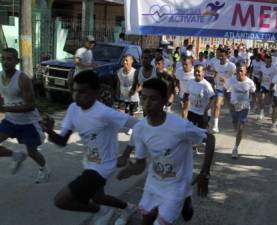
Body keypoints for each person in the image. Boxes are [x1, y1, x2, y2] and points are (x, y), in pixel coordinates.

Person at [40, 71, 138, 225]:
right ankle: (128, 208)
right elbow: (62, 141)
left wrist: (126, 155)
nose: (77, 95)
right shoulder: (73, 108)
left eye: (83, 91)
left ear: (96, 92)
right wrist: (50, 131)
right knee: (98, 198)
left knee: (61, 200)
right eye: (74, 90)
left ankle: (103, 211)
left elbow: (141, 127)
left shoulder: (105, 113)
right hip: (89, 163)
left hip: (104, 166)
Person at [117, 78, 215, 225]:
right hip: (153, 184)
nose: (146, 104)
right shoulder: (140, 128)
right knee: (146, 220)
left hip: (176, 187)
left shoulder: (180, 126)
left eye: (153, 99)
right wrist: (131, 170)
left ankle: (183, 198)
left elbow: (210, 138)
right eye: (143, 98)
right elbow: (140, 164)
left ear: (164, 101)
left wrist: (205, 173)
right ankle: (186, 200)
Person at [0, 47, 50, 183]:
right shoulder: (0, 76)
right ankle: (15, 155)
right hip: (11, 120)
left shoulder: (23, 79)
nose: (5, 62)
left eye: (9, 59)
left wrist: (4, 108)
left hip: (28, 122)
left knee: (32, 151)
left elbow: (30, 105)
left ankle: (44, 169)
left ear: (17, 61)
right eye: (3, 58)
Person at [225, 62, 256, 159]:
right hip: (234, 107)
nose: (239, 73)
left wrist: (254, 103)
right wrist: (228, 104)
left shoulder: (250, 82)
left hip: (245, 107)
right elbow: (224, 90)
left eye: (241, 71)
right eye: (238, 71)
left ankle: (235, 148)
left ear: (245, 71)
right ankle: (238, 134)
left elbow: (253, 92)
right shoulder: (231, 80)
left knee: (240, 128)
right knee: (235, 124)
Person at [211, 48, 236, 133]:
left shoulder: (231, 66)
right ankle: (215, 126)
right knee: (217, 105)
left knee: (231, 107)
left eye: (222, 56)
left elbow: (236, 77)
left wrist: (227, 80)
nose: (220, 57)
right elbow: (215, 73)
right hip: (219, 88)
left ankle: (235, 118)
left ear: (226, 56)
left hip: (229, 89)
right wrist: (214, 81)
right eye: (219, 55)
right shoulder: (216, 63)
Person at [187, 64, 215, 129]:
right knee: (190, 131)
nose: (197, 73)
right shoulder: (190, 81)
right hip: (191, 111)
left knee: (201, 133)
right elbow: (187, 94)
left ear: (203, 73)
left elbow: (213, 98)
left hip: (202, 114)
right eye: (195, 71)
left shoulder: (206, 85)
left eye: (198, 71)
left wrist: (206, 110)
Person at [258, 55, 277, 120]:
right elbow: (261, 72)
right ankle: (261, 113)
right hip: (263, 85)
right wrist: (260, 77)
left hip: (271, 85)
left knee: (270, 98)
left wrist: (273, 84)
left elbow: (276, 77)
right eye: (266, 61)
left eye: (269, 61)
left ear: (271, 62)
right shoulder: (262, 66)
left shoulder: (274, 68)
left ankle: (270, 106)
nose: (267, 62)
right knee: (262, 98)